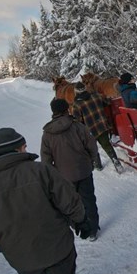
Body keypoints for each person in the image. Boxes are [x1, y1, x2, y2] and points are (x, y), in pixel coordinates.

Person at [0, 127, 90, 274]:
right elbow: (68, 199)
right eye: (24, 146)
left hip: (22, 259)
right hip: (58, 249)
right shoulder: (40, 171)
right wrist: (80, 220)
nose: (26, 150)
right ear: (17, 148)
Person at [41, 99, 102, 241]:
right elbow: (91, 145)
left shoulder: (47, 134)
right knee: (89, 199)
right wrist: (92, 159)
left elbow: (46, 159)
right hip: (84, 170)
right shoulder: (77, 126)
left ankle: (79, 227)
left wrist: (53, 175)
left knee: (71, 202)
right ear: (67, 109)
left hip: (64, 176)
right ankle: (93, 229)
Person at [72, 82, 124, 173]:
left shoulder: (76, 104)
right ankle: (116, 162)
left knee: (93, 148)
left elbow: (78, 121)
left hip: (90, 131)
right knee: (107, 145)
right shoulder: (96, 96)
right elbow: (107, 102)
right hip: (101, 125)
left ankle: (98, 165)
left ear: (76, 92)